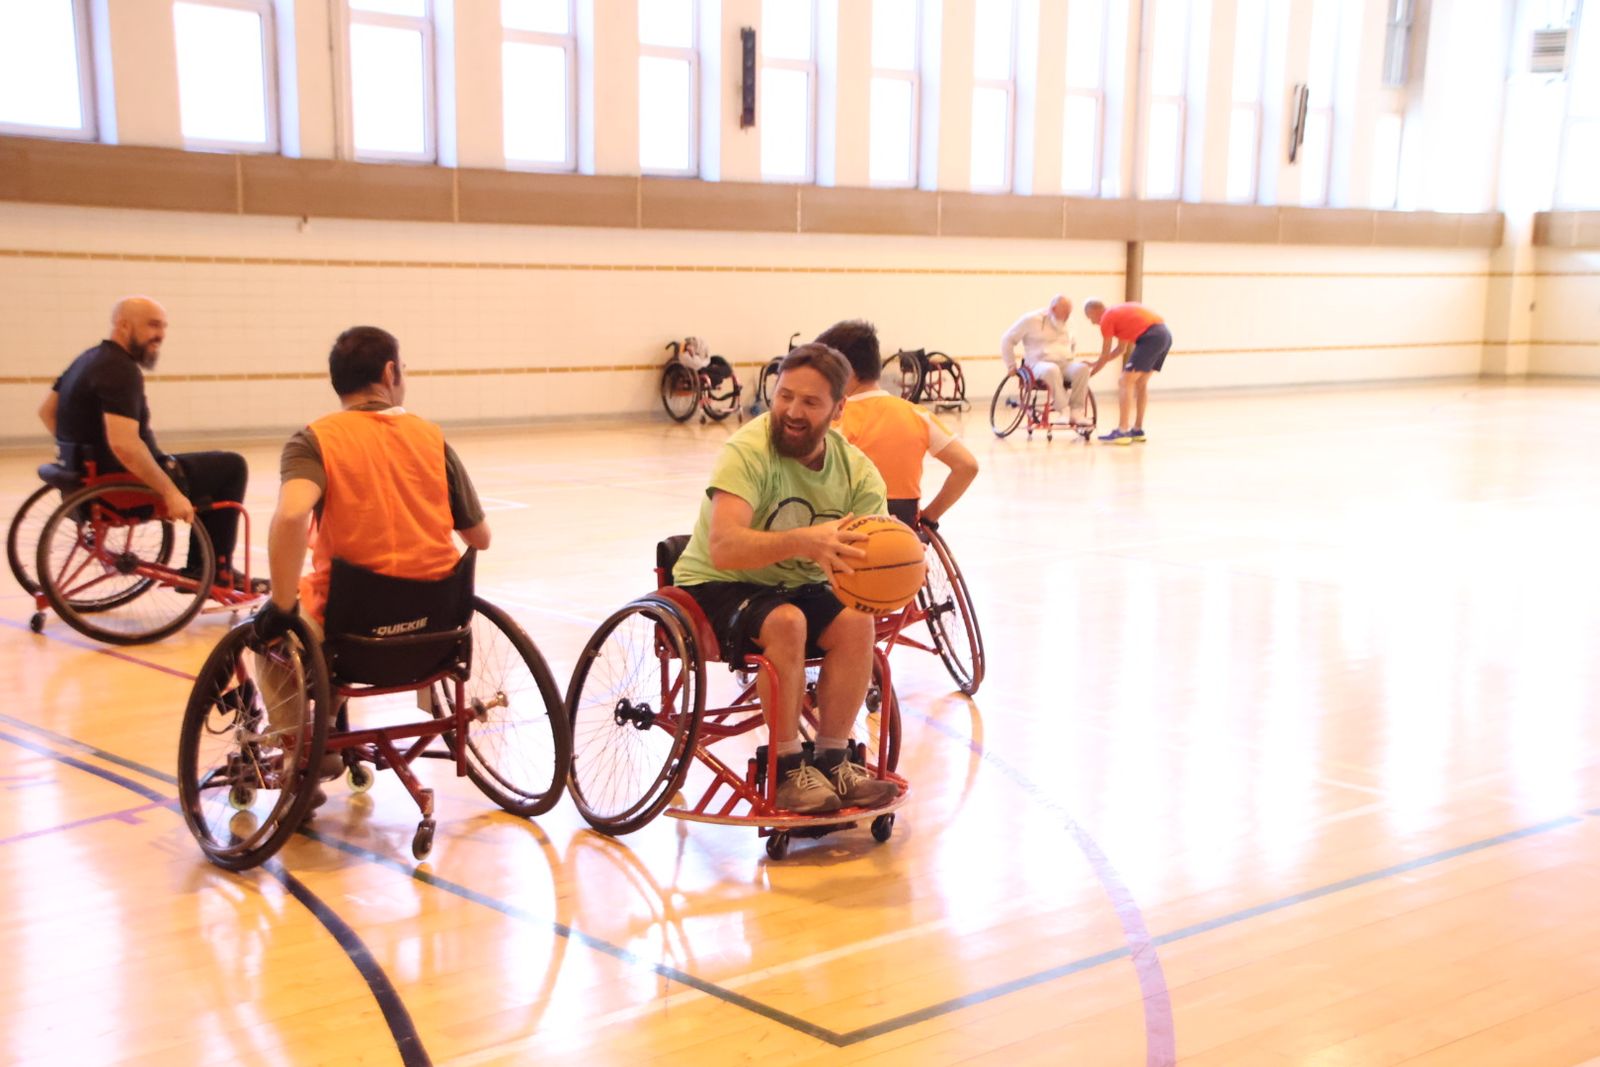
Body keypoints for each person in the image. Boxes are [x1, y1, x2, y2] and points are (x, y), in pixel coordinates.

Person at [251, 325, 491, 810]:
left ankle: (303, 758)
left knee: (270, 637)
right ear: (390, 372)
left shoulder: (315, 440)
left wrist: (279, 606)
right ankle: (324, 731)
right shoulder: (430, 437)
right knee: (320, 622)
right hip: (438, 631)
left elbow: (294, 514)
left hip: (354, 634)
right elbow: (479, 538)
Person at [672, 343, 899, 815]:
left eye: (810, 402)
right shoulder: (748, 451)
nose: (792, 411)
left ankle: (834, 758)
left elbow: (873, 558)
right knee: (788, 622)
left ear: (838, 410)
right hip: (715, 582)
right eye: (784, 396)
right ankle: (787, 768)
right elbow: (725, 546)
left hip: (793, 586)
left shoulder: (858, 473)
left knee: (857, 622)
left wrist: (887, 580)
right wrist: (804, 541)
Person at [39, 296, 258, 588]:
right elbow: (125, 445)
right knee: (231, 466)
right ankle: (212, 569)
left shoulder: (87, 359)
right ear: (124, 325)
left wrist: (82, 452)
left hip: (88, 481)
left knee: (207, 463)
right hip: (122, 486)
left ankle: (204, 567)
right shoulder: (120, 370)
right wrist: (170, 493)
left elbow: (47, 412)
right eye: (153, 325)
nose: (161, 334)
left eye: (164, 327)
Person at [816, 319, 979, 530]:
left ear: (846, 371)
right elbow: (968, 466)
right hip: (904, 529)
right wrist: (930, 515)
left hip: (850, 528)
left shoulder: (831, 421)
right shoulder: (916, 414)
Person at [1083, 299, 1172, 444]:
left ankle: (1122, 431)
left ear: (1094, 311)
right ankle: (1137, 429)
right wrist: (1095, 364)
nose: (1092, 323)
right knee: (1141, 383)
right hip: (1165, 335)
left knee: (1124, 381)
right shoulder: (1117, 315)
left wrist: (1090, 374)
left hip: (1151, 337)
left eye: (1090, 318)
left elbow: (1105, 355)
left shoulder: (1106, 318)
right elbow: (1120, 349)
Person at [998, 295, 1092, 426]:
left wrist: (1071, 357)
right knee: (1051, 369)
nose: (1066, 318)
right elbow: (1006, 340)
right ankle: (1064, 409)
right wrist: (1011, 365)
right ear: (1053, 309)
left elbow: (1073, 343)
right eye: (1064, 314)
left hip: (1064, 363)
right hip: (1037, 365)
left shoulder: (1069, 321)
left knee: (1082, 369)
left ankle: (1077, 412)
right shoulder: (1031, 319)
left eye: (1069, 314)